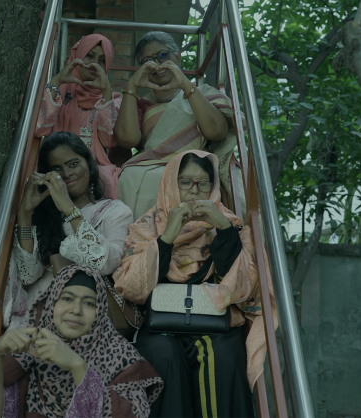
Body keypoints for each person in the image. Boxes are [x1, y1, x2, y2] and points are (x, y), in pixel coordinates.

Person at [112, 150, 276, 418]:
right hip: (162, 324)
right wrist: (168, 235)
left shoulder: (230, 223)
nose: (194, 191)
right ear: (171, 184)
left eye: (203, 184)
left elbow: (247, 286)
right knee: (160, 354)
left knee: (223, 356)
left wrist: (223, 228)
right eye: (185, 182)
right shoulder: (148, 226)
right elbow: (132, 287)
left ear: (213, 188)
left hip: (216, 325)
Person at [0, 265, 164, 418]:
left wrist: (78, 367)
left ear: (100, 312)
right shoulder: (29, 348)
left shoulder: (121, 359)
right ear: (51, 304)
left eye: (89, 303)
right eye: (67, 298)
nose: (76, 310)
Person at [3, 131, 134, 331]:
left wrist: (69, 210)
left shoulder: (115, 212)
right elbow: (28, 275)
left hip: (84, 317)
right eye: (57, 169)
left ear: (88, 163)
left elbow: (107, 262)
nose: (66, 173)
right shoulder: (45, 216)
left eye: (73, 164)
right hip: (37, 313)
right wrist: (25, 214)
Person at [114, 31, 242, 220]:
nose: (157, 64)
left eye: (163, 55)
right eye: (148, 61)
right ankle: (146, 235)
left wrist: (185, 85)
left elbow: (217, 132)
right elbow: (127, 139)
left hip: (194, 165)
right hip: (151, 167)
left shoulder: (204, 94)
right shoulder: (141, 104)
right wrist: (131, 86)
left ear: (178, 56)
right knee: (129, 176)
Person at [35, 34, 131, 199]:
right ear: (78, 56)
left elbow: (108, 140)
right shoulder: (57, 93)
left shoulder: (112, 101)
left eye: (102, 60)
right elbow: (39, 128)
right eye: (90, 55)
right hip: (57, 167)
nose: (94, 63)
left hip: (91, 172)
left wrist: (106, 92)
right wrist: (57, 81)